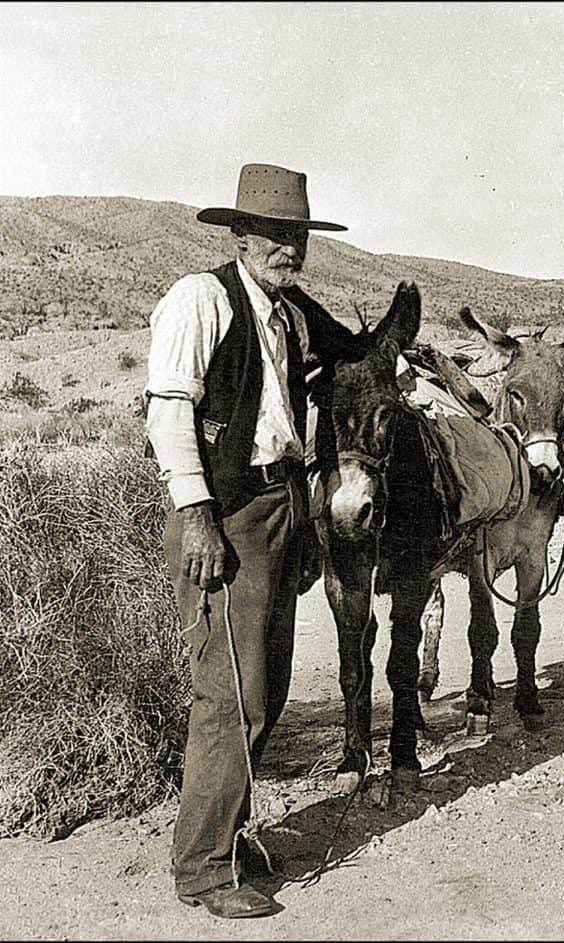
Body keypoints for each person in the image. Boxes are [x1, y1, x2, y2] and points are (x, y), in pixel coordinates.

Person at [144, 163, 363, 919]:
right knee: (229, 694)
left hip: (279, 506)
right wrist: (197, 513)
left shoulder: (290, 313)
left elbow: (345, 361)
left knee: (263, 689)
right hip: (225, 513)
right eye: (274, 233)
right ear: (241, 235)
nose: (288, 247)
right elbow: (169, 411)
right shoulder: (200, 299)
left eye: (297, 234)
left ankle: (231, 839)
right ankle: (203, 868)